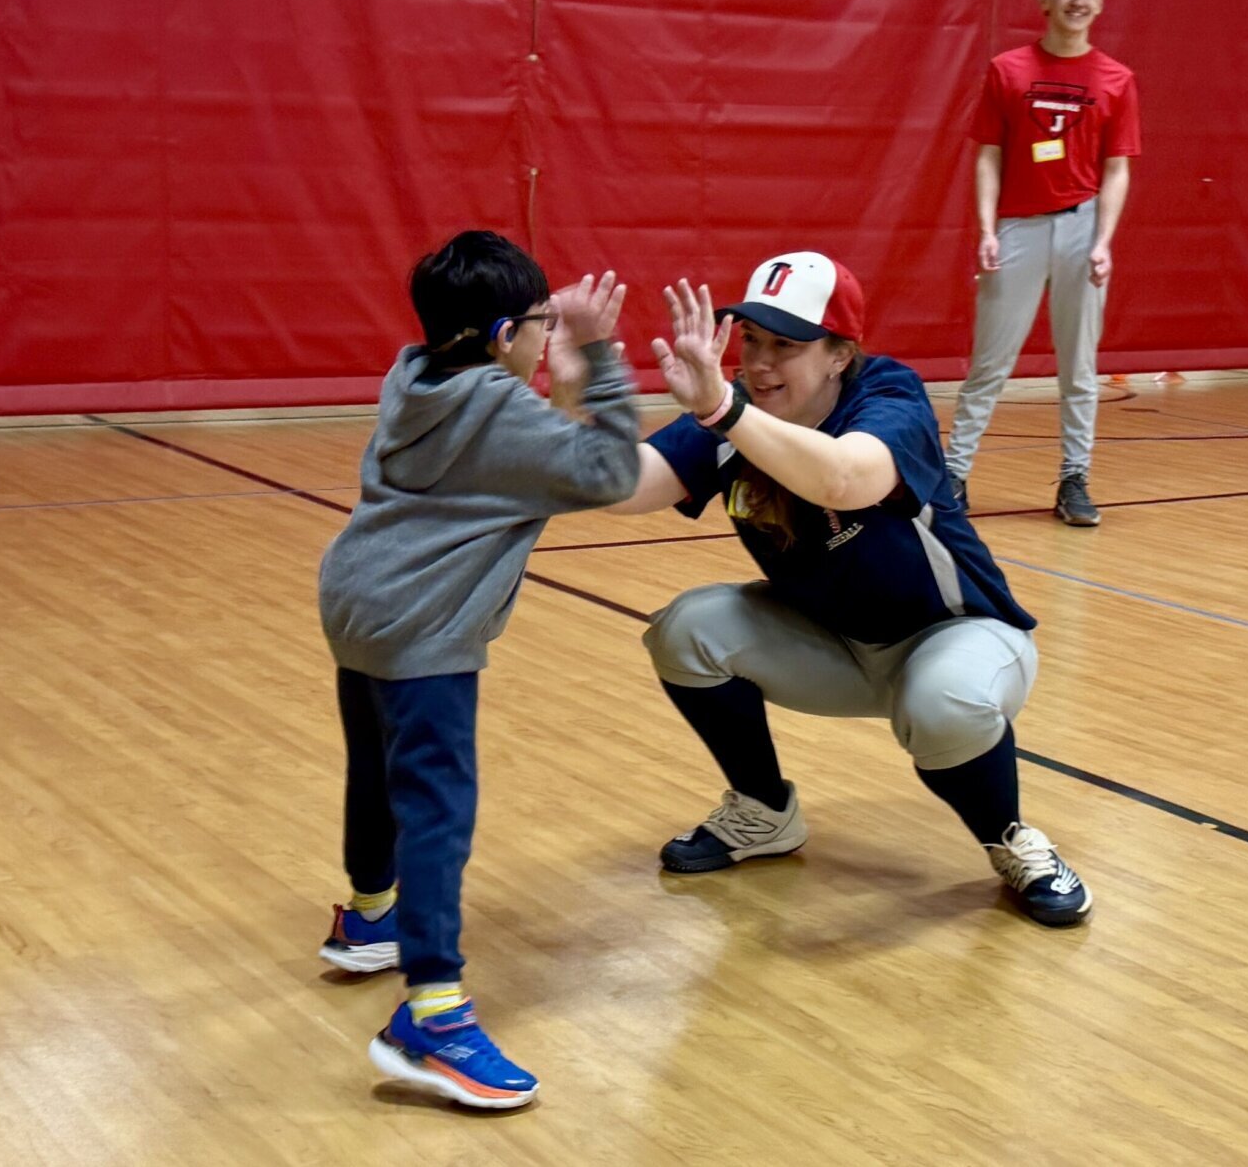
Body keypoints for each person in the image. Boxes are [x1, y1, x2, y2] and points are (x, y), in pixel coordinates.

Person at [609, 251, 1091, 927]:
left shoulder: (889, 395)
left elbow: (844, 479)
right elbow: (624, 482)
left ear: (839, 355)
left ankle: (1012, 838)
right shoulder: (732, 419)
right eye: (751, 340)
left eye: (786, 344)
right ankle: (764, 810)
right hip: (837, 648)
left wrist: (723, 409)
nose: (760, 360)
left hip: (958, 638)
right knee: (688, 627)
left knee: (944, 702)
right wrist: (578, 391)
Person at [315, 230, 640, 1108]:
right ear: (502, 335)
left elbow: (515, 444)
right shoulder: (502, 413)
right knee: (437, 810)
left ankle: (369, 916)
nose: (546, 336)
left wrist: (554, 383)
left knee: (376, 774)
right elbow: (609, 469)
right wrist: (599, 363)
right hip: (422, 628)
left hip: (355, 601)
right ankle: (434, 1014)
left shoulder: (410, 374)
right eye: (539, 323)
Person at [943, 0, 1141, 526]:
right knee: (989, 364)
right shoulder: (1008, 70)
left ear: (1100, 3)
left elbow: (1117, 168)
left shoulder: (1117, 79)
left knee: (1079, 368)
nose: (1077, 0)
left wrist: (1103, 241)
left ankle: (1074, 478)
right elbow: (988, 156)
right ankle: (954, 475)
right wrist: (987, 229)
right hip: (1018, 230)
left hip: (1082, 229)